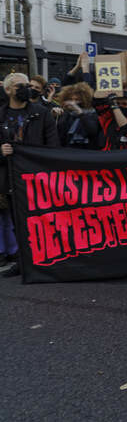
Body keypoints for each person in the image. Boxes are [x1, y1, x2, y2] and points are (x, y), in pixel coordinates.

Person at [0, 73, 60, 277]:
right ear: (8, 90)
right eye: (20, 86)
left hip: (37, 178)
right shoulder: (0, 115)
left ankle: (48, 258)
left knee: (41, 220)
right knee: (18, 221)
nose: (27, 89)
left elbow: (53, 146)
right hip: (10, 178)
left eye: (28, 85)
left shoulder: (41, 113)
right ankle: (24, 261)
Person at [55, 82, 102, 150]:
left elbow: (92, 131)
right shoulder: (67, 114)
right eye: (71, 99)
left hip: (87, 151)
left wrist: (80, 112)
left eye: (77, 100)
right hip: (69, 150)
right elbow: (61, 134)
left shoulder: (93, 113)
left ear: (84, 99)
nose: (73, 103)